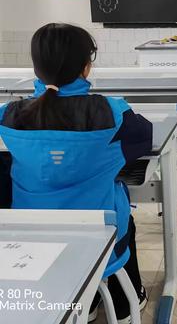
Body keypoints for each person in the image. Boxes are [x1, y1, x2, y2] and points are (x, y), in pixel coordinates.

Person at [0, 23, 151, 324]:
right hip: (99, 234)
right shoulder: (113, 113)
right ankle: (122, 305)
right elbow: (143, 140)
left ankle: (88, 302)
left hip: (27, 234)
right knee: (124, 215)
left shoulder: (9, 115)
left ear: (37, 66)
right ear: (86, 67)